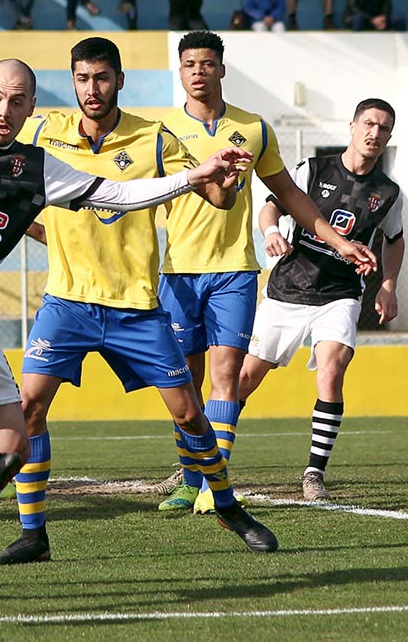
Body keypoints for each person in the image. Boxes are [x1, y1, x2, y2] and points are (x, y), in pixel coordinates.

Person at [0, 57, 265, 585]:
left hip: (134, 301)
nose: (92, 88)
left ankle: (225, 504)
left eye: (102, 78)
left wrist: (202, 173)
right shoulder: (45, 132)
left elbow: (149, 194)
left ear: (118, 81)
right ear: (71, 85)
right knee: (28, 410)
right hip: (65, 301)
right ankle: (30, 533)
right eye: (82, 79)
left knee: (187, 412)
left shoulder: (151, 138)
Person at [154, 31, 377, 514]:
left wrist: (339, 242)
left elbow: (293, 197)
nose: (198, 71)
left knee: (227, 373)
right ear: (180, 70)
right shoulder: (162, 131)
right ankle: (190, 477)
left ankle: (215, 484)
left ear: (221, 69)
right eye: (190, 63)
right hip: (177, 271)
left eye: (207, 63)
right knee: (184, 379)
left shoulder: (253, 128)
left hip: (234, 269)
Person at [238, 98, 403, 502]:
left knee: (332, 371)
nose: (374, 134)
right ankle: (198, 460)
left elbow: (395, 240)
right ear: (352, 126)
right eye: (369, 124)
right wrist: (272, 232)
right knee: (241, 380)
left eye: (383, 129)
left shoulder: (388, 192)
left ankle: (314, 474)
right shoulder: (313, 169)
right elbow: (270, 207)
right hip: (287, 291)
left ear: (389, 137)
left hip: (339, 296)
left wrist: (388, 285)